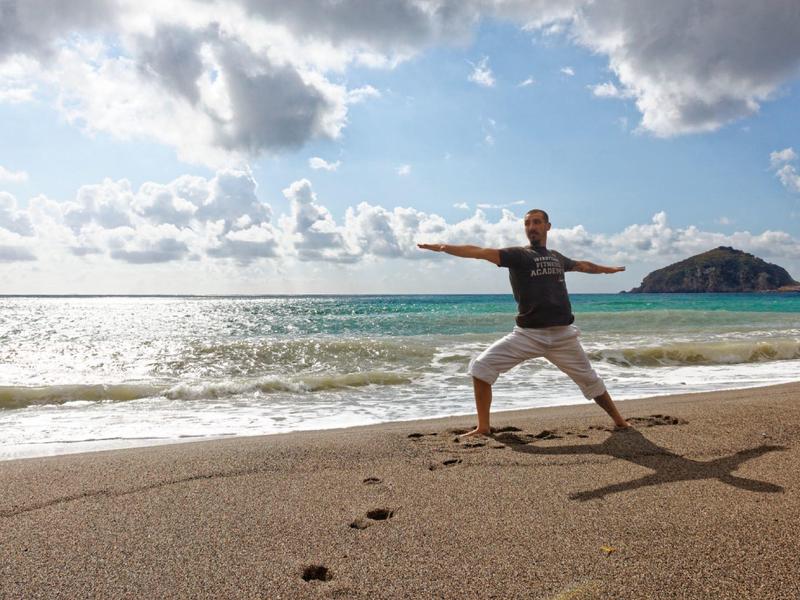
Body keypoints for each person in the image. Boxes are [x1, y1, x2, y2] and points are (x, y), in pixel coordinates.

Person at [418, 208, 630, 437]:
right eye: (527, 223)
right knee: (481, 368)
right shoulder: (518, 256)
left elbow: (583, 265)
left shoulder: (557, 257)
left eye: (537, 222)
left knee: (591, 381)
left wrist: (607, 270)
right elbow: (479, 252)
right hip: (528, 335)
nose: (532, 227)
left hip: (563, 336)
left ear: (548, 226)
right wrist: (443, 247)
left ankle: (620, 422)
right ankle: (483, 427)